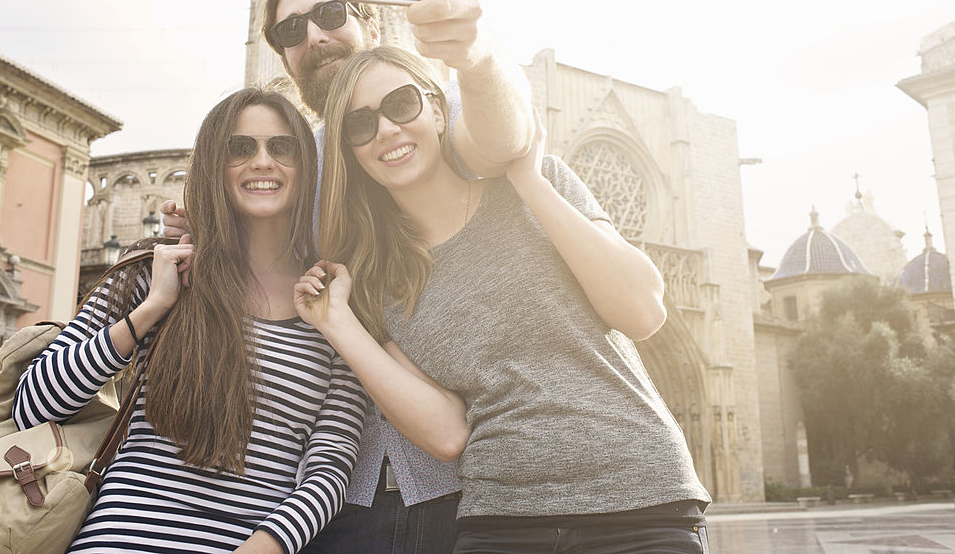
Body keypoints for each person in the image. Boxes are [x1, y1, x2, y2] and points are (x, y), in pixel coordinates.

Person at [162, 0, 535, 554]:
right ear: (281, 53)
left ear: (370, 23)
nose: (315, 35)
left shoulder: (437, 113)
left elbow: (503, 133)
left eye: (332, 14)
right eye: (291, 28)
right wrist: (203, 233)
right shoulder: (287, 161)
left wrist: (476, 54)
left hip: (473, 483)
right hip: (339, 495)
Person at [295, 46, 713, 554]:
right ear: (350, 151)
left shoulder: (545, 182)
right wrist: (338, 324)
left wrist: (529, 181)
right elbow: (448, 435)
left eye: (401, 104)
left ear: (437, 107)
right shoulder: (377, 278)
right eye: (360, 124)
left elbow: (643, 311)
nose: (385, 129)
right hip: (501, 519)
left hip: (640, 500)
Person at [13, 89, 366, 554]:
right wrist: (153, 308)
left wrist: (266, 546)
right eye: (240, 148)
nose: (263, 161)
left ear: (308, 168)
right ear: (212, 165)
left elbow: (330, 468)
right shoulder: (154, 269)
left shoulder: (332, 301)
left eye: (283, 148)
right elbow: (32, 407)